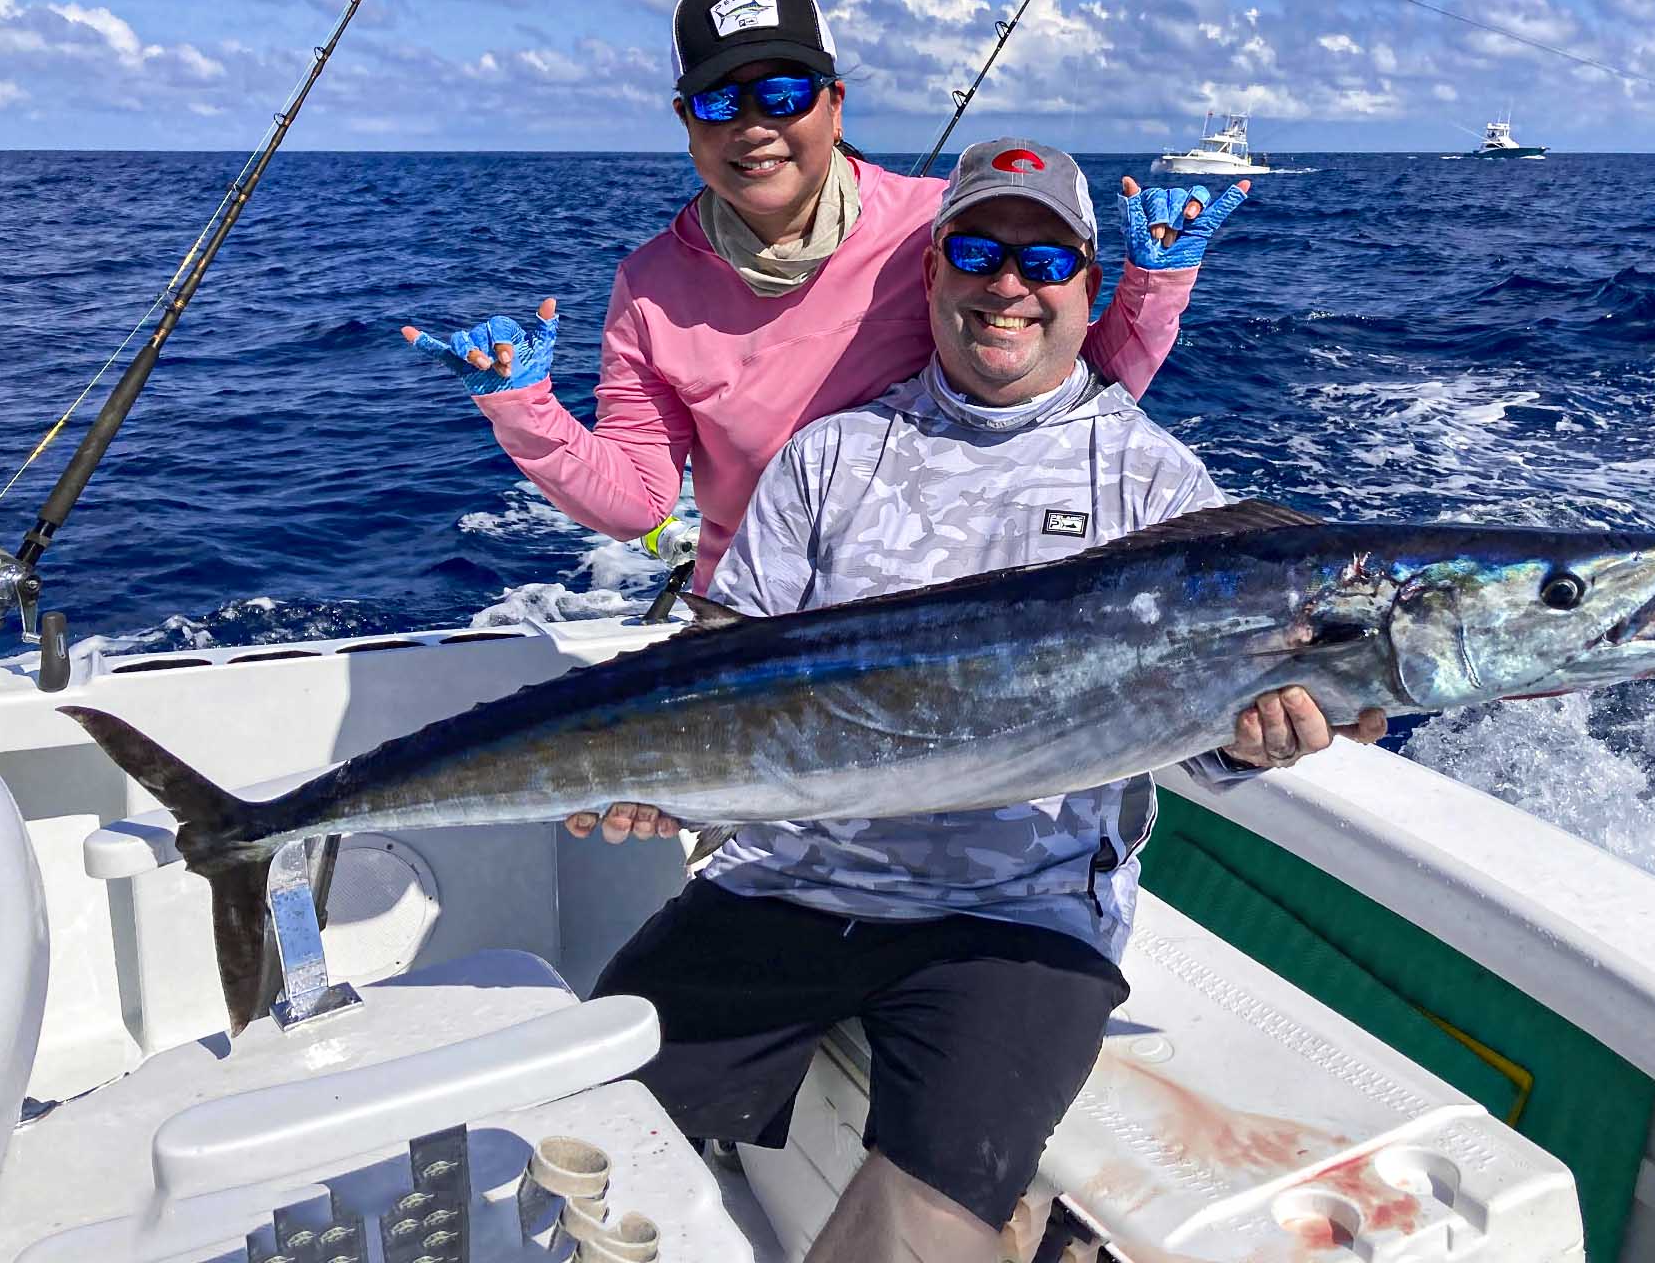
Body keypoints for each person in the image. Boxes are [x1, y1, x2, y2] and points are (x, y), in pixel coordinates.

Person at [588, 139, 1390, 1263]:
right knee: (580, 1126)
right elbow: (728, 666)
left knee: (922, 1227)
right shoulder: (830, 458)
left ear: (1086, 287)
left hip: (1019, 917)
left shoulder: (1158, 488)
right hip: (788, 877)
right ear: (932, 279)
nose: (1007, 282)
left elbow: (1202, 747)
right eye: (976, 250)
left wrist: (1261, 741)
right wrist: (662, 775)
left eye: (1045, 257)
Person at [401, 0, 1242, 601]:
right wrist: (524, 405)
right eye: (721, 104)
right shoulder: (651, 288)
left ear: (834, 105)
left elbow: (1063, 380)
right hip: (757, 617)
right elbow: (638, 504)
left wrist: (1155, 282)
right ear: (687, 125)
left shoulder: (942, 228)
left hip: (926, 596)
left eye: (783, 93)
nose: (756, 126)